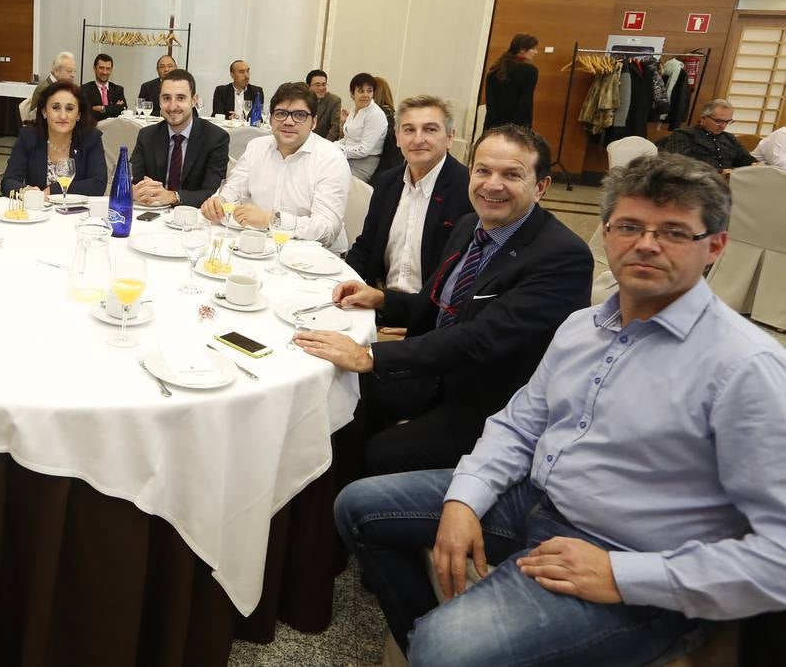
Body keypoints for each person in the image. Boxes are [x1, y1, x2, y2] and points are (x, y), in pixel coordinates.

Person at [335, 154, 786, 666]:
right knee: (358, 506)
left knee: (447, 648)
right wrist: (463, 499)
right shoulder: (583, 326)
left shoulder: (747, 367)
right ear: (606, 231)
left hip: (634, 557)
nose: (646, 244)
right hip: (539, 499)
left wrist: (621, 575)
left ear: (715, 247)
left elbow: (779, 554)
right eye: (630, 226)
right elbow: (518, 426)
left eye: (675, 233)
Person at [295, 125, 592, 477]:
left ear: (541, 186)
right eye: (483, 171)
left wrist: (371, 355)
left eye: (512, 174)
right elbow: (439, 305)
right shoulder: (471, 226)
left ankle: (352, 514)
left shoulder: (562, 256)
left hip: (488, 403)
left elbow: (480, 337)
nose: (492, 184)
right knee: (335, 396)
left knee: (380, 452)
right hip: (435, 373)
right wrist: (381, 299)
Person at [201, 82, 352, 251]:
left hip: (314, 257)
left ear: (314, 122)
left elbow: (328, 229)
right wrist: (220, 203)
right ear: (270, 117)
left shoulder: (331, 159)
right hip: (262, 246)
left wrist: (273, 220)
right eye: (281, 114)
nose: (288, 121)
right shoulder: (256, 147)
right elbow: (233, 191)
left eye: (300, 115)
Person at [344, 96, 472, 292]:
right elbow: (366, 246)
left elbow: (465, 275)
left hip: (431, 313)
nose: (418, 139)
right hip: (377, 298)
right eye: (409, 130)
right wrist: (344, 282)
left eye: (430, 129)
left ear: (450, 137)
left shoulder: (467, 188)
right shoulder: (388, 182)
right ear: (397, 138)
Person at [130, 69, 229, 207]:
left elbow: (212, 192)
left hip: (193, 219)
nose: (172, 106)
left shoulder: (215, 138)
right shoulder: (147, 135)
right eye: (166, 98)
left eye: (181, 98)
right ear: (159, 100)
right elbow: (130, 180)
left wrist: (172, 196)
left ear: (194, 100)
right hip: (151, 214)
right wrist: (133, 191)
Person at [1, 80, 107, 196]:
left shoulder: (91, 138)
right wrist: (26, 191)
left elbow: (98, 184)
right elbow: (8, 182)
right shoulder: (29, 137)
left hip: (77, 211)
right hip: (38, 211)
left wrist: (54, 190)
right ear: (44, 112)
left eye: (70, 109)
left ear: (78, 115)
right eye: (56, 108)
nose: (62, 116)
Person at [662, 98, 756, 176]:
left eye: (727, 122)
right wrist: (719, 172)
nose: (723, 126)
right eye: (718, 121)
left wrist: (755, 165)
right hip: (697, 184)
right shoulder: (684, 135)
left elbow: (745, 159)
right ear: (703, 118)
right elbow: (676, 164)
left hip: (728, 184)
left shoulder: (730, 138)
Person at [483, 32, 539, 131]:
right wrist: (526, 129)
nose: (536, 52)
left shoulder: (494, 70)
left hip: (492, 128)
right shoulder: (530, 71)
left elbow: (490, 106)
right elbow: (525, 103)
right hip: (515, 130)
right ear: (522, 50)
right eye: (533, 48)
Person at [339, 72, 387, 182]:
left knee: (334, 180)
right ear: (352, 94)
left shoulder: (375, 115)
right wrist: (332, 146)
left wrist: (340, 150)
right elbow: (348, 138)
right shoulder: (355, 109)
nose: (365, 95)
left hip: (363, 163)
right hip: (347, 157)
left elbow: (364, 150)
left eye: (369, 91)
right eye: (361, 91)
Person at [26, 51, 77, 116]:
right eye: (69, 71)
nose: (73, 75)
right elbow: (37, 116)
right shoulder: (45, 88)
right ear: (56, 71)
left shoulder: (65, 87)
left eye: (74, 71)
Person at [81, 53, 126, 121]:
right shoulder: (84, 89)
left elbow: (123, 110)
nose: (105, 72)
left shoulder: (118, 90)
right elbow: (87, 113)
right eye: (101, 68)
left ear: (111, 70)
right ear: (94, 68)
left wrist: (102, 108)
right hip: (93, 129)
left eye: (108, 69)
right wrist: (114, 108)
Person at [308, 69, 342, 141]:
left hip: (323, 142)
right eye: (317, 85)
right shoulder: (303, 100)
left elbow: (335, 127)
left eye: (324, 84)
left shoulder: (334, 101)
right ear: (308, 86)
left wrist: (324, 146)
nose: (321, 88)